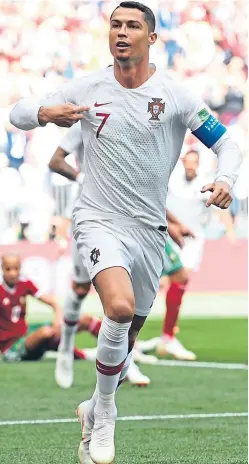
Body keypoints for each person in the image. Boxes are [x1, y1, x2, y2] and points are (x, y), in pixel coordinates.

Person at [9, 2, 242, 463]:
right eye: (115, 24)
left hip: (149, 231)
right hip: (97, 220)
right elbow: (17, 112)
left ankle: (91, 406)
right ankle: (107, 413)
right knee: (116, 308)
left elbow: (227, 143)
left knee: (130, 331)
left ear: (151, 38)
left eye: (133, 25)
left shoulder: (176, 97)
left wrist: (226, 179)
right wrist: (43, 113)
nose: (121, 31)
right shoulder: (88, 87)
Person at [49, 122, 152, 388]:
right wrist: (83, 178)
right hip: (90, 216)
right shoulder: (88, 121)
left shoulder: (132, 124)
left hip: (128, 216)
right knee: (81, 288)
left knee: (123, 295)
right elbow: (55, 160)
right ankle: (66, 347)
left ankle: (126, 363)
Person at [0, 253, 62, 358]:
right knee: (45, 332)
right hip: (10, 347)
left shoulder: (25, 285)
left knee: (74, 322)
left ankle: (83, 354)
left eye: (16, 269)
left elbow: (53, 303)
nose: (13, 273)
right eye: (8, 269)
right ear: (2, 269)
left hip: (25, 335)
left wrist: (58, 320)